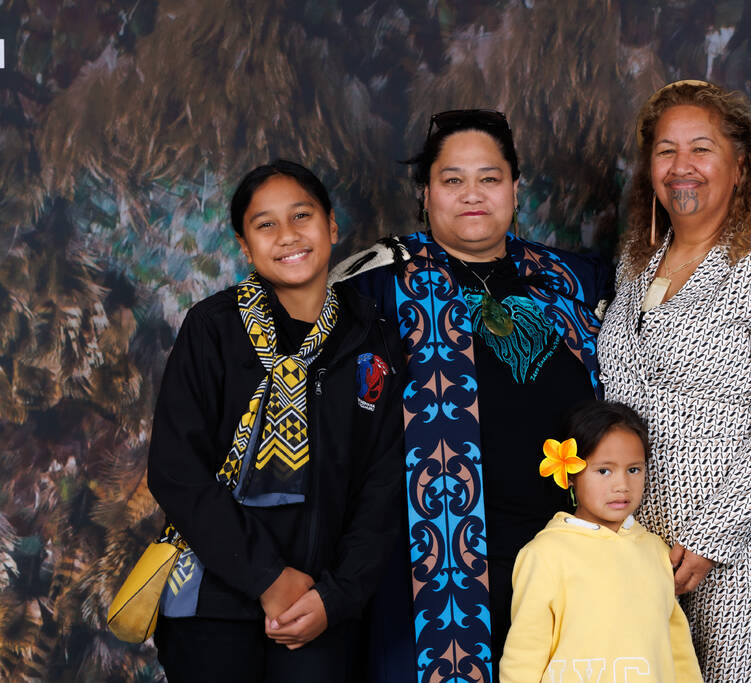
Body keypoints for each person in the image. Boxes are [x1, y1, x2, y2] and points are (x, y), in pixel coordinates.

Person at [332, 109, 612, 682]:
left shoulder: (572, 278)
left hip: (567, 550)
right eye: (452, 180)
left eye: (489, 178)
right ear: (425, 193)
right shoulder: (376, 283)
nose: (472, 195)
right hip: (434, 562)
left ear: (515, 187)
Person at [597, 80, 751, 682]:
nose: (682, 167)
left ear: (740, 163)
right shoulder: (636, 261)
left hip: (741, 555)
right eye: (665, 150)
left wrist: (710, 537)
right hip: (642, 546)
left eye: (701, 149)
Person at [146, 159, 405, 682]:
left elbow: (382, 483)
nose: (287, 236)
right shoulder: (213, 329)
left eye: (301, 217)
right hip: (212, 604)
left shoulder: (370, 335)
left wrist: (337, 596)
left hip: (319, 607)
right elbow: (177, 471)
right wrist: (266, 577)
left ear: (331, 226)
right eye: (265, 224)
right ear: (245, 246)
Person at [500, 400, 703, 683]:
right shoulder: (545, 554)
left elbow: (678, 649)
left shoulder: (656, 551)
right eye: (604, 471)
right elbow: (524, 656)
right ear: (571, 475)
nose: (621, 485)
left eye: (634, 470)